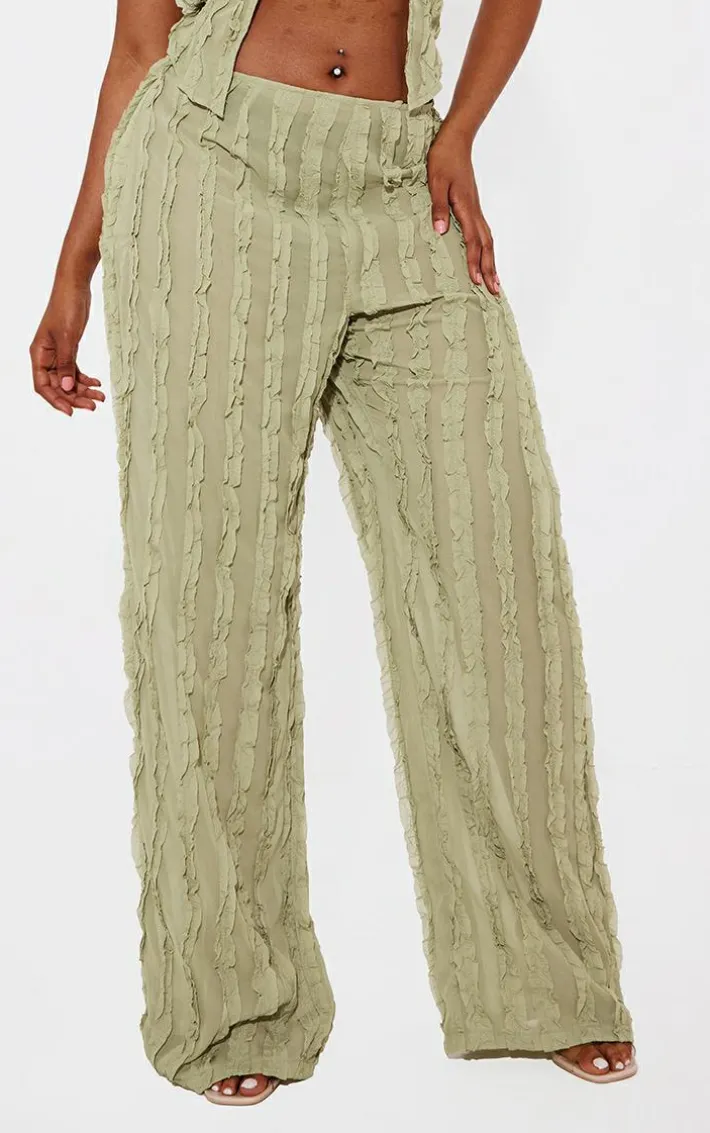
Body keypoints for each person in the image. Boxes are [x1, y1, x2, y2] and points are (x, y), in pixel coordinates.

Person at [29, 0, 637, 1107]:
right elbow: (140, 47)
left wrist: (459, 130)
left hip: (402, 182)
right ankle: (232, 1003)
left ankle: (543, 981)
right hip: (211, 177)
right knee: (211, 601)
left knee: (498, 587)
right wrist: (76, 265)